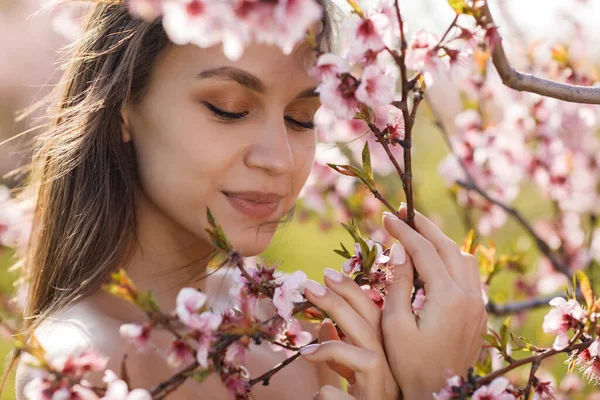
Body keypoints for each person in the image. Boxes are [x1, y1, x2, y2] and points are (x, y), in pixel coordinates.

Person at [4, 1, 487, 399]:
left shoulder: (302, 338)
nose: (279, 159)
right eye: (228, 109)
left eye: (301, 117)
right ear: (123, 107)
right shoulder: (83, 367)